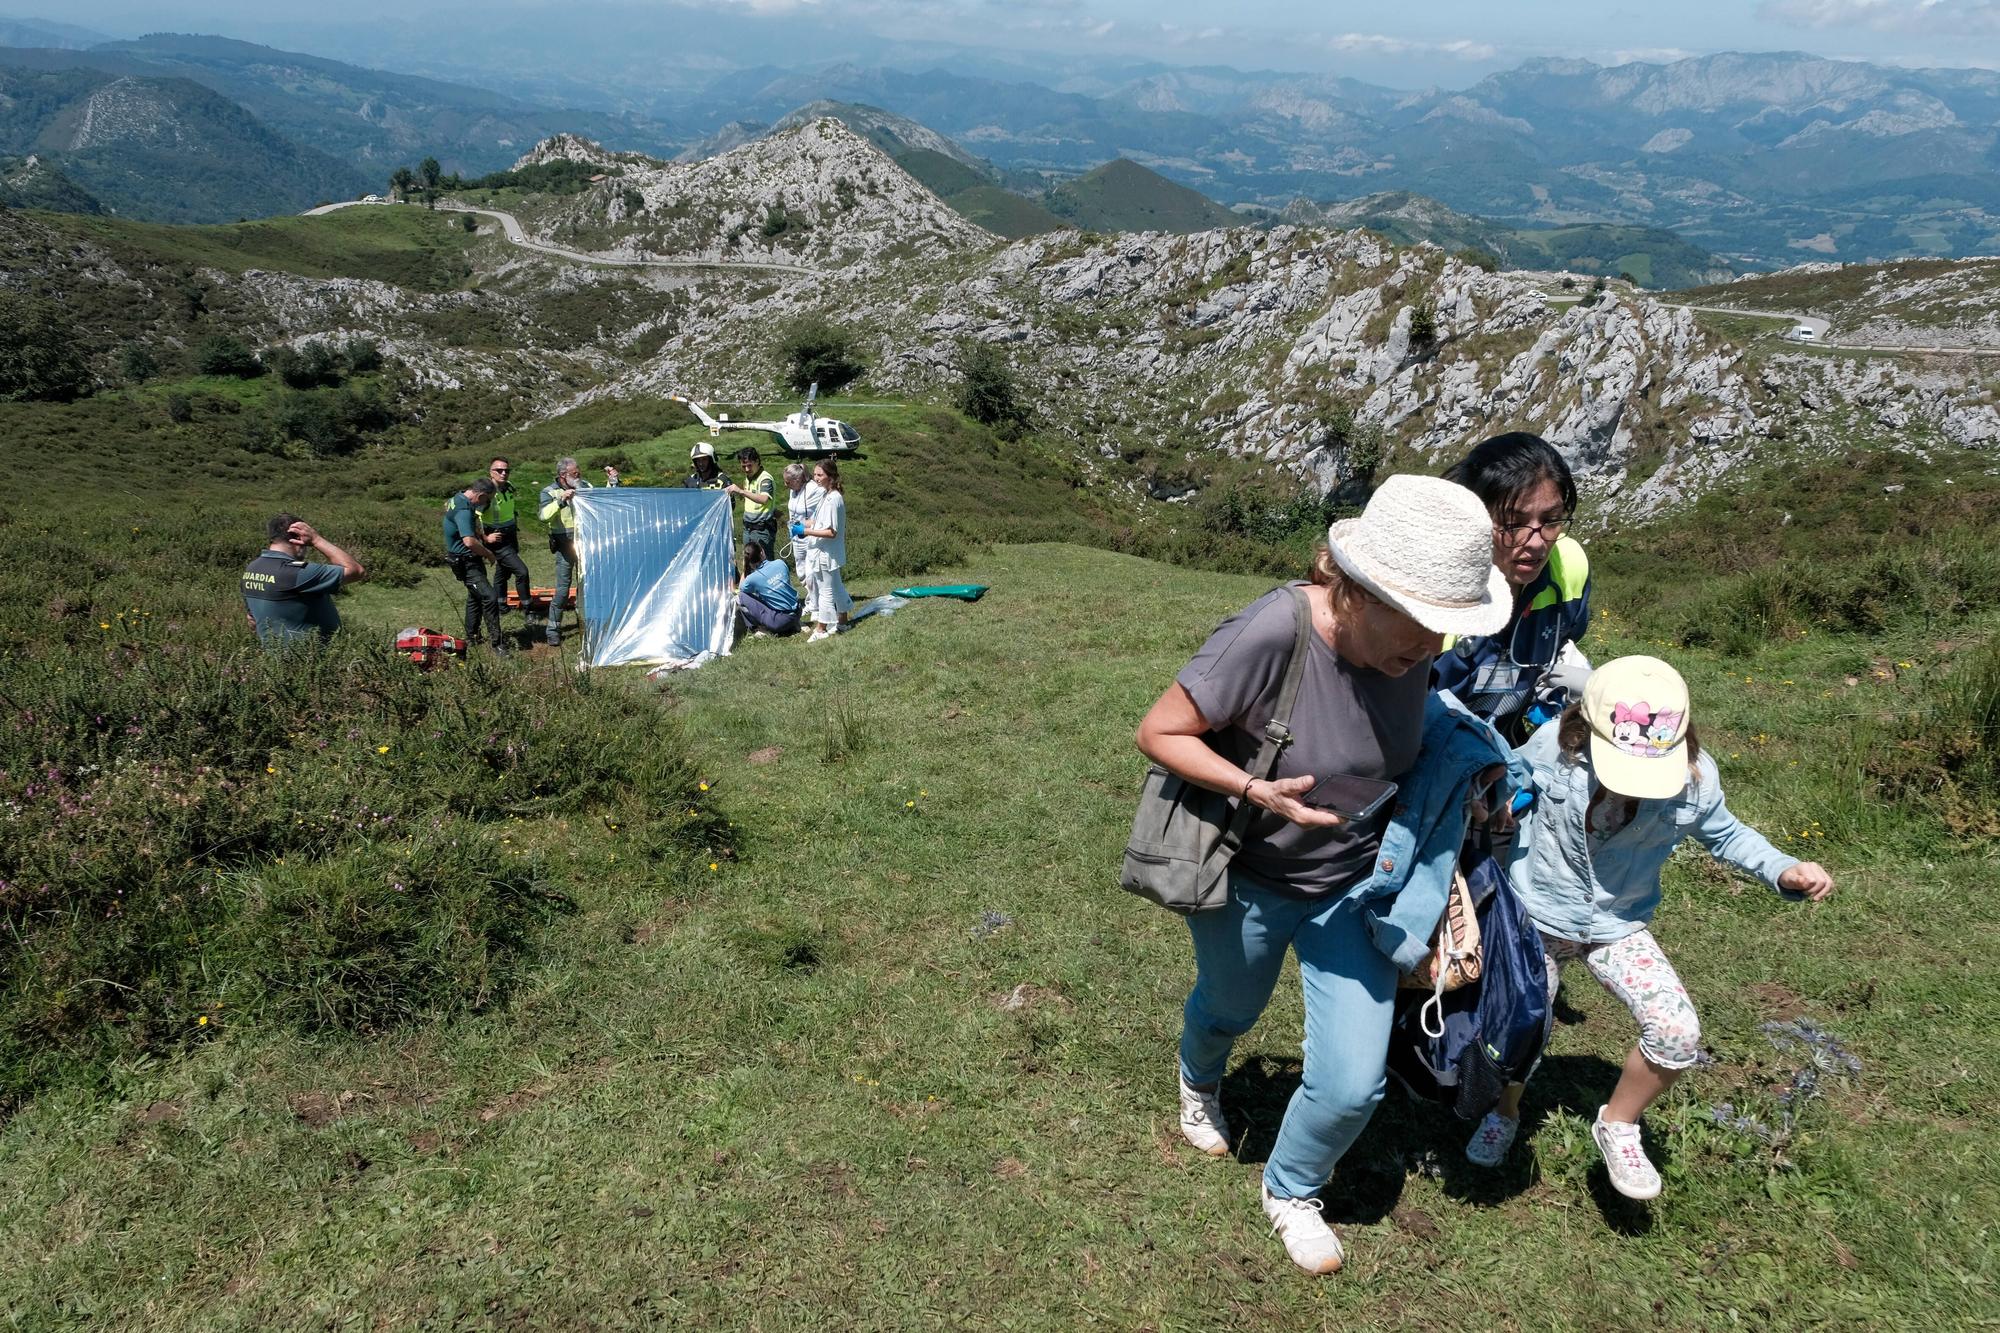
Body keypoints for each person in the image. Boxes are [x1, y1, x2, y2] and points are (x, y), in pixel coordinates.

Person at [1134, 475, 1513, 1275]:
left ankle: (1292, 1186)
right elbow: (1160, 729)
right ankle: (1199, 1076)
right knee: (1229, 1004)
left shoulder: (1409, 649)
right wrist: (1251, 786)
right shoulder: (1277, 629)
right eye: (1420, 628)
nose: (1434, 651)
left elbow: (1415, 718)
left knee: (1351, 1083)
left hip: (1357, 884)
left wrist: (1470, 767)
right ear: (1358, 591)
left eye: (1446, 631)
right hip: (1254, 874)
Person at [1463, 655, 1834, 1200]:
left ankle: (1618, 1123)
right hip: (1538, 915)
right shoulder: (1552, 747)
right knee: (1522, 1026)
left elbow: (1727, 835)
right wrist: (1496, 807)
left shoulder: (1695, 779)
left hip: (1619, 924)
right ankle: (1505, 1110)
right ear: (1581, 729)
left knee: (1677, 1031)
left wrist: (1782, 867)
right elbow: (1510, 780)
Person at [1433, 432, 1593, 742]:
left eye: (1551, 520)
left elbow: (1564, 640)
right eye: (1512, 524)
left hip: (1509, 744)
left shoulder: (1569, 566)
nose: (1535, 544)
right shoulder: (1435, 589)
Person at [241, 513, 365, 647]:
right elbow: (356, 571)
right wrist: (316, 540)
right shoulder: (295, 573)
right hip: (310, 660)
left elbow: (252, 619)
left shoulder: (252, 568)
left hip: (276, 660)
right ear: (299, 538)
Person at [538, 457, 617, 648]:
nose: (578, 475)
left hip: (586, 543)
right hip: (564, 545)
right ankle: (553, 630)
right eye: (574, 473)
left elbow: (603, 501)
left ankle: (592, 624)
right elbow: (543, 516)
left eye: (578, 471)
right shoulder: (549, 492)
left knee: (589, 585)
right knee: (563, 589)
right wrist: (561, 500)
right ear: (563, 475)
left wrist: (612, 483)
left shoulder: (585, 485)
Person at [444, 477, 508, 657]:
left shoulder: (458, 498)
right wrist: (488, 553)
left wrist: (482, 536)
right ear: (480, 495)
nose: (487, 503)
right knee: (490, 597)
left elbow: (452, 512)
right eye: (487, 499)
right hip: (465, 561)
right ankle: (497, 644)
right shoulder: (464, 509)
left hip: (469, 559)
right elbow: (469, 541)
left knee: (475, 597)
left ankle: (471, 636)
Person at [477, 456, 536, 632]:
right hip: (497, 538)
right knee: (521, 571)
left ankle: (501, 605)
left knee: (502, 572)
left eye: (506, 470)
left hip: (510, 536)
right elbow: (474, 516)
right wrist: (485, 538)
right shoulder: (486, 493)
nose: (504, 473)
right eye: (499, 470)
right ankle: (528, 609)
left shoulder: (508, 488)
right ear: (490, 472)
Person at [797, 458, 850, 643]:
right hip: (822, 551)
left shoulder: (834, 499)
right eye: (815, 475)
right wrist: (803, 523)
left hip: (826, 553)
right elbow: (820, 522)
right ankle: (842, 621)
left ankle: (821, 628)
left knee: (826, 589)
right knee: (835, 586)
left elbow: (832, 531)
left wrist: (806, 531)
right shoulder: (825, 495)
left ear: (830, 476)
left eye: (820, 475)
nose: (816, 478)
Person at [736, 541, 801, 637]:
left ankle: (756, 628)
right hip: (797, 612)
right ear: (762, 552)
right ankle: (793, 624)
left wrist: (746, 568)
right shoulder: (780, 563)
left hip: (779, 621)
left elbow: (741, 588)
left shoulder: (752, 578)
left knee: (741, 596)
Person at [725, 446, 779, 556]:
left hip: (761, 530)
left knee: (763, 563)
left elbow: (763, 499)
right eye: (743, 466)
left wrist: (741, 491)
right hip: (747, 528)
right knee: (749, 561)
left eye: (749, 465)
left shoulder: (765, 478)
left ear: (757, 461)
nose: (746, 469)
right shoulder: (748, 478)